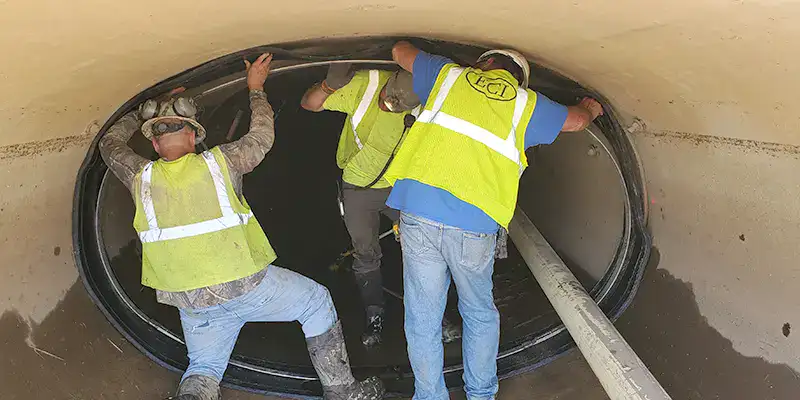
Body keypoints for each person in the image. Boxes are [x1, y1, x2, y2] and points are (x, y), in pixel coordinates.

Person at [99, 53, 384, 400]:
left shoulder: (138, 174)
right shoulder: (221, 163)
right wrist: (256, 89)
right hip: (244, 286)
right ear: (192, 138)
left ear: (155, 145)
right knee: (315, 302)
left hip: (190, 298)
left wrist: (137, 114)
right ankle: (344, 393)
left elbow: (108, 144)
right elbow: (262, 136)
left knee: (204, 367)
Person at [383, 41, 605, 400]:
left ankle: (429, 396)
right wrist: (589, 108)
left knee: (422, 317)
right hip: (474, 225)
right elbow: (577, 121)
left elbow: (399, 51)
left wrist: (447, 62)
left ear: (482, 64)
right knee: (478, 313)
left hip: (419, 213)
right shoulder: (526, 104)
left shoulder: (448, 75)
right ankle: (481, 394)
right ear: (520, 80)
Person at [300, 63, 421, 347]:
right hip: (358, 188)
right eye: (388, 100)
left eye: (398, 107)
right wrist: (329, 86)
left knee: (424, 251)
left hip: (402, 186)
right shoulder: (366, 84)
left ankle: (430, 315)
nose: (389, 107)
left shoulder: (433, 96)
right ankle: (374, 315)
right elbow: (310, 104)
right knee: (366, 254)